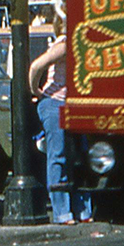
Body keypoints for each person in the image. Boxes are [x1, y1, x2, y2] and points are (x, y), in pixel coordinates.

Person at [30, 14, 92, 224]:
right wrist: (36, 90)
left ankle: (83, 210)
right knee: (59, 155)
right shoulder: (65, 45)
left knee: (81, 154)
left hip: (75, 104)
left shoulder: (81, 42)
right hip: (55, 103)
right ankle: (62, 212)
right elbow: (36, 66)